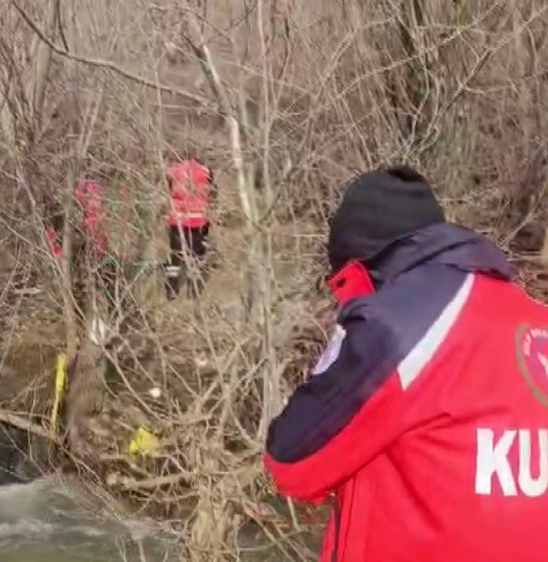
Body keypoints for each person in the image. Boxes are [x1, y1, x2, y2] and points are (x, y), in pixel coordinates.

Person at [263, 166, 548, 562]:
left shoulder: (395, 325)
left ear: (362, 270)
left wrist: (348, 342)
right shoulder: (534, 318)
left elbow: (290, 461)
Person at [164, 159, 212, 299]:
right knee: (196, 255)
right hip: (199, 219)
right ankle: (194, 291)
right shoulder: (205, 171)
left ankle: (171, 290)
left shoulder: (173, 169)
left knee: (176, 254)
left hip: (178, 218)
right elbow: (211, 193)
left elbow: (168, 190)